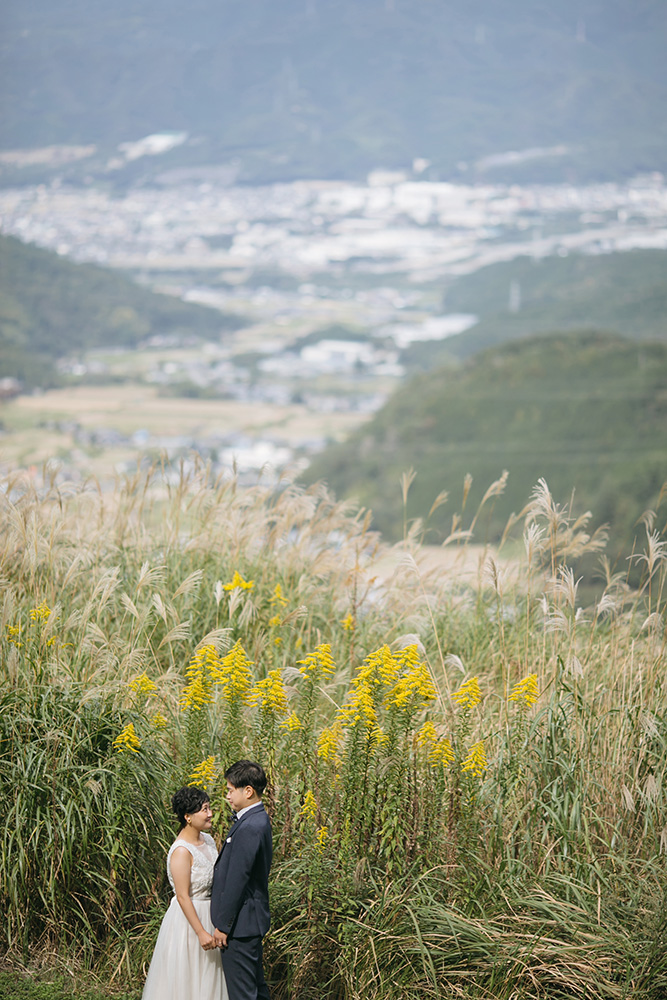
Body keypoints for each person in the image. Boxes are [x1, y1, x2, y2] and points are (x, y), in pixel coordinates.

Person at [142, 786, 228, 1000]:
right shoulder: (181, 851)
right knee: (188, 979)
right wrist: (200, 932)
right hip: (189, 922)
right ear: (188, 817)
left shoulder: (207, 840)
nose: (210, 814)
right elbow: (182, 896)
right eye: (204, 809)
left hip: (210, 914)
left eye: (209, 808)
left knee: (210, 977)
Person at [211, 760, 273, 1000]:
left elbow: (238, 879)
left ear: (248, 791)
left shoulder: (250, 825)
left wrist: (223, 926)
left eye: (230, 790)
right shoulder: (256, 819)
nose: (227, 795)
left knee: (243, 994)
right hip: (248, 921)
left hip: (240, 925)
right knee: (256, 989)